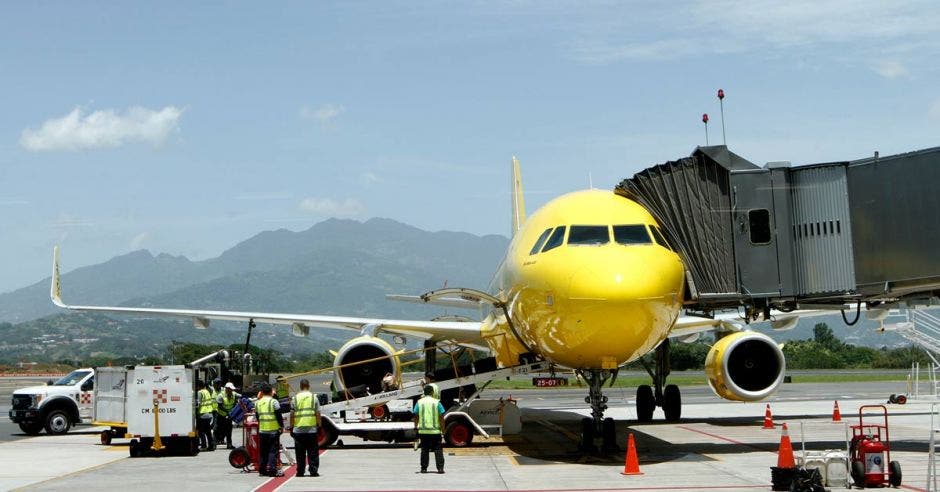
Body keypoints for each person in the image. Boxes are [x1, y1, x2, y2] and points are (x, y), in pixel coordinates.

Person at [290, 379, 321, 477]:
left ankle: (300, 471)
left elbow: (292, 415)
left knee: (300, 453)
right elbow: (318, 413)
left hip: (298, 430)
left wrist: (291, 427)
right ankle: (313, 471)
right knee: (313, 452)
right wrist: (319, 426)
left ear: (300, 386)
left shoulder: (295, 398)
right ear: (309, 386)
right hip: (311, 429)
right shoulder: (314, 397)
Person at [413, 384, 445, 474]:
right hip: (435, 431)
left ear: (424, 392)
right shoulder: (437, 402)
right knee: (438, 449)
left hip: (423, 431)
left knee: (424, 449)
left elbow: (415, 415)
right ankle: (440, 468)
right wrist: (443, 430)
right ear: (432, 392)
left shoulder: (419, 402)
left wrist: (415, 427)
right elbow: (442, 417)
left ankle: (424, 468)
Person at [256, 383, 283, 477]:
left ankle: (262, 470)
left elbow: (257, 416)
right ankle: (272, 470)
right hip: (273, 430)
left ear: (262, 392)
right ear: (271, 392)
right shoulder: (274, 402)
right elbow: (279, 415)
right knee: (272, 451)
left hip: (262, 430)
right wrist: (281, 426)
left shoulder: (257, 402)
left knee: (263, 452)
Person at [216, 382, 241, 449]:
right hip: (221, 415)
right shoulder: (221, 395)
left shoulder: (234, 394)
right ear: (227, 389)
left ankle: (229, 444)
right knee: (219, 430)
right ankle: (216, 442)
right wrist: (227, 411)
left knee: (229, 430)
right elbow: (220, 406)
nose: (232, 391)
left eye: (232, 389)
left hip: (229, 416)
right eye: (230, 389)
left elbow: (241, 396)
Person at [195, 380, 215, 451]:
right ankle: (211, 445)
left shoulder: (200, 392)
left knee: (200, 431)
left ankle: (203, 445)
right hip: (209, 414)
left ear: (198, 386)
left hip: (202, 414)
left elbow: (198, 404)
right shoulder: (207, 391)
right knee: (208, 431)